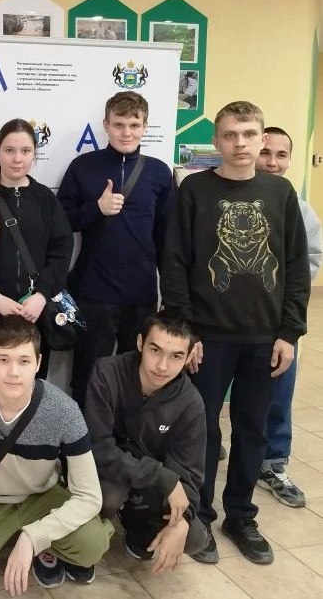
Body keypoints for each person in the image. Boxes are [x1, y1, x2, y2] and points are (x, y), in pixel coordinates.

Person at [161, 101, 310, 565]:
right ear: (217, 141)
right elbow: (175, 262)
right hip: (207, 337)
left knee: (252, 429)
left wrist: (290, 333)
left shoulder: (280, 192)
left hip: (265, 338)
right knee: (202, 430)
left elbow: (295, 267)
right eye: (229, 135)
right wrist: (186, 332)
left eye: (248, 134)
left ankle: (241, 516)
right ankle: (200, 514)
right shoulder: (194, 190)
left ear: (262, 138)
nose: (239, 143)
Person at [0, 316, 112, 598]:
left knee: (92, 546)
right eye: (3, 359)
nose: (13, 372)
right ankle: (6, 540)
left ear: (38, 363)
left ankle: (35, 544)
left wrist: (33, 537)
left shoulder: (64, 410)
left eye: (24, 361)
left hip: (41, 497)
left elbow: (89, 496)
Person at [57, 92, 173, 408]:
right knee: (87, 373)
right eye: (119, 124)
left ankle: (125, 432)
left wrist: (170, 297)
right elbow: (59, 223)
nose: (126, 132)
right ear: (106, 125)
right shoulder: (83, 166)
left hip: (140, 295)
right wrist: (96, 209)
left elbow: (167, 239)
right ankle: (82, 434)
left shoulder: (159, 172)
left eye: (134, 125)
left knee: (135, 375)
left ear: (145, 127)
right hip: (93, 292)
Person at [84, 314, 209, 573]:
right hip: (108, 473)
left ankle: (138, 530)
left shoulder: (191, 402)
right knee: (109, 496)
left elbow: (190, 472)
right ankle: (86, 538)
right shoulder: (107, 372)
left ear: (188, 358)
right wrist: (160, 475)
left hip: (149, 483)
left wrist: (183, 520)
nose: (162, 366)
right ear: (140, 343)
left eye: (176, 356)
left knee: (194, 537)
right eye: (155, 350)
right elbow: (98, 448)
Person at [0, 118, 73, 379]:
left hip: (35, 317)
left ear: (34, 154)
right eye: (9, 150)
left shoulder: (45, 198)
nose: (17, 158)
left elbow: (62, 250)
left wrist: (41, 295)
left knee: (31, 388)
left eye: (25, 151)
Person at [255, 126, 322, 507]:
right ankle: (212, 447)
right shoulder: (223, 200)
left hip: (278, 322)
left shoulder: (300, 209)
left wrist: (282, 302)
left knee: (279, 394)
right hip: (229, 320)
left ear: (290, 160)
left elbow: (310, 261)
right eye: (266, 152)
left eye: (281, 155)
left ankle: (273, 463)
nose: (272, 162)